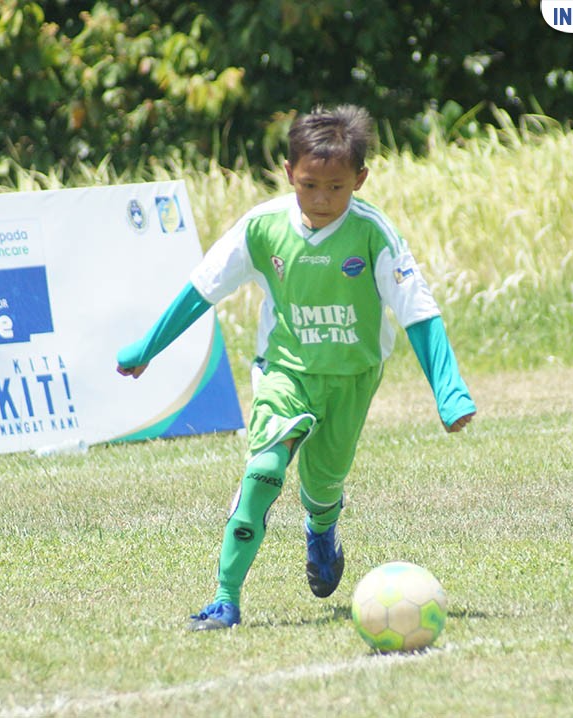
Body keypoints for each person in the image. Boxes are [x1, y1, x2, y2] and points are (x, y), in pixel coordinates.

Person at [116, 104, 476, 631]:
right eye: (309, 186)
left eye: (336, 187)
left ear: (360, 178)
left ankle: (322, 524)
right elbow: (202, 288)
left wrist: (450, 392)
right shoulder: (262, 228)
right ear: (289, 175)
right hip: (283, 370)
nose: (322, 200)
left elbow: (417, 312)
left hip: (352, 378)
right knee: (263, 471)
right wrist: (148, 347)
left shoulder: (374, 234)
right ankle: (225, 598)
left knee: (323, 485)